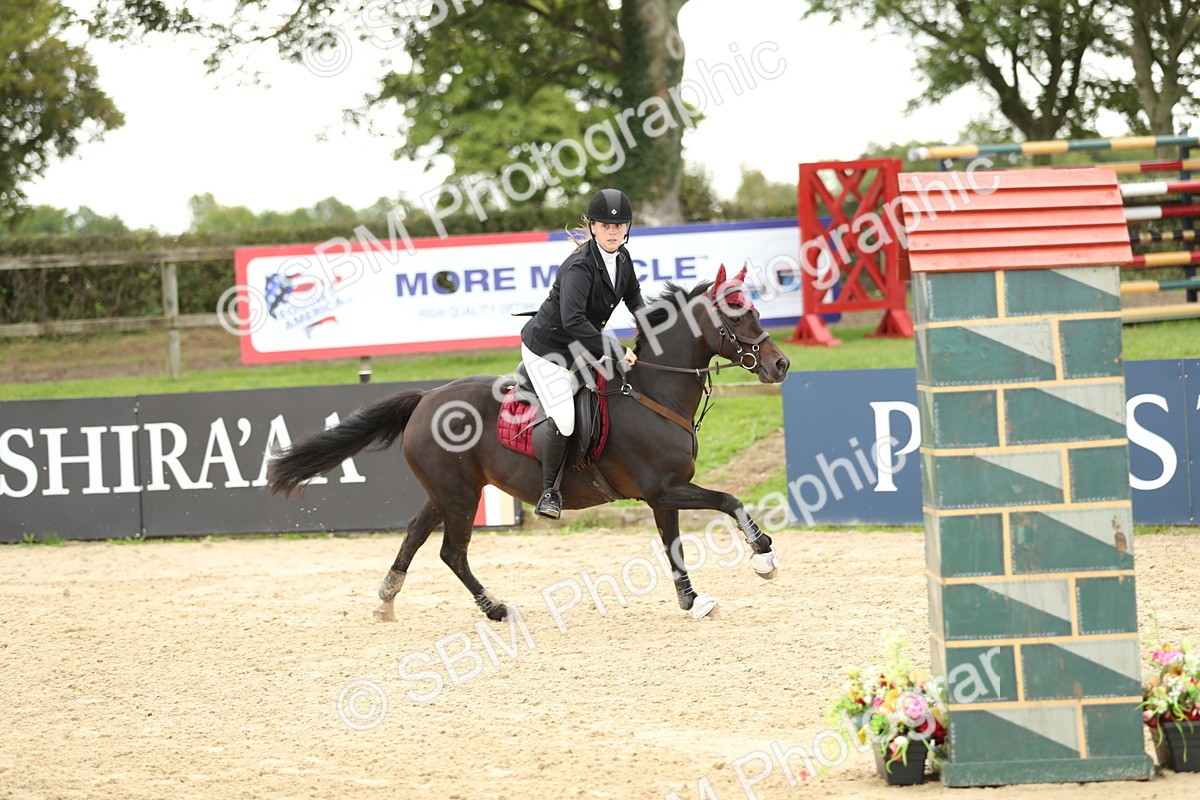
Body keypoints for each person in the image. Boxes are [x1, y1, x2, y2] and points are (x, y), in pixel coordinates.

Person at [520, 188, 645, 519]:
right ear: (592, 227)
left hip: (581, 343)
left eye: (619, 226)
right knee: (564, 417)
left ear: (628, 228)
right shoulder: (579, 266)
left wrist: (654, 331)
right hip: (548, 350)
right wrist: (616, 351)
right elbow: (573, 320)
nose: (613, 231)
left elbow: (634, 298)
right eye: (605, 225)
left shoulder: (623, 259)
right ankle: (550, 492)